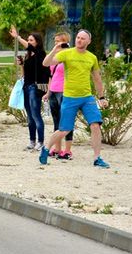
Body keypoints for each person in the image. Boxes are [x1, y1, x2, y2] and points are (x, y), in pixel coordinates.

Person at [39, 30, 110, 168]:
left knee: (95, 125)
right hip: (70, 97)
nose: (79, 40)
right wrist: (55, 49)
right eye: (78, 37)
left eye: (83, 38)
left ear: (89, 41)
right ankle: (46, 148)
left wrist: (102, 97)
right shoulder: (67, 53)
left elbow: (97, 78)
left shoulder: (92, 57)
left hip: (87, 97)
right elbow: (46, 63)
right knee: (64, 130)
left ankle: (97, 158)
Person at [10, 27, 51, 151]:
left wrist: (17, 37)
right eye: (28, 40)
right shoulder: (28, 55)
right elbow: (25, 74)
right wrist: (22, 64)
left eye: (31, 40)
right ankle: (32, 141)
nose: (29, 42)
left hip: (36, 87)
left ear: (37, 42)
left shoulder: (41, 54)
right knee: (29, 116)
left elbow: (30, 47)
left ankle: (41, 141)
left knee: (36, 114)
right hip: (26, 86)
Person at [41, 32, 74, 160]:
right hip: (54, 90)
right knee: (56, 120)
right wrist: (48, 92)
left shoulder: (70, 54)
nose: (56, 43)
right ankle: (57, 148)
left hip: (65, 91)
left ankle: (67, 150)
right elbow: (50, 74)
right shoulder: (55, 56)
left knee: (66, 121)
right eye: (55, 41)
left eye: (59, 41)